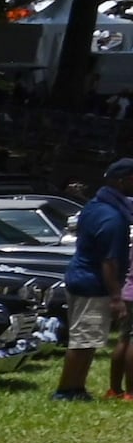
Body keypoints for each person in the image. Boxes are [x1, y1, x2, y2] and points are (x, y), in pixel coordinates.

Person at [57, 157, 132, 401]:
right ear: (122, 181)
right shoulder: (112, 217)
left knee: (88, 340)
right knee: (81, 342)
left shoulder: (95, 206)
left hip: (83, 278)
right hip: (92, 284)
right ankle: (66, 390)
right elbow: (109, 261)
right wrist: (116, 297)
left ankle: (78, 388)